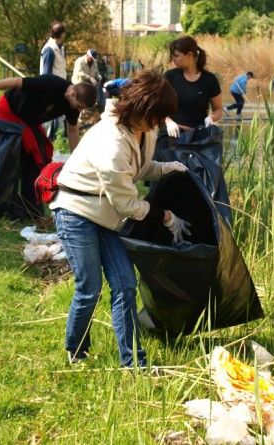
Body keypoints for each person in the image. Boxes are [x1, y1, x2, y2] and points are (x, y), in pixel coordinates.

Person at [49, 70, 191, 368]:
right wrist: (163, 215)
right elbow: (127, 202)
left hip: (108, 216)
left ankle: (133, 364)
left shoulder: (145, 129)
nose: (158, 124)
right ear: (141, 108)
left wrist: (168, 169)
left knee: (125, 285)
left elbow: (138, 168)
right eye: (156, 116)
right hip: (77, 212)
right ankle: (76, 352)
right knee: (90, 287)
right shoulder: (109, 141)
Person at [0, 75, 97, 218]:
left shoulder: (72, 106)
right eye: (79, 106)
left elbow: (72, 130)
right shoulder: (51, 83)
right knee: (13, 158)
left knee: (42, 155)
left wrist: (75, 158)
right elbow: (15, 81)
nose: (78, 110)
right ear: (72, 93)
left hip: (29, 120)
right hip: (10, 110)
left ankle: (31, 210)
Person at [162, 36, 223, 140]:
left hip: (199, 137)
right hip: (172, 136)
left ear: (190, 55)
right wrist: (168, 121)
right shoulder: (170, 76)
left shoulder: (209, 79)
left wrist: (211, 118)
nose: (173, 59)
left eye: (176, 56)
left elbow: (218, 109)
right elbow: (157, 107)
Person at [40, 21, 67, 140]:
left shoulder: (59, 48)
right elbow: (46, 74)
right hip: (51, 89)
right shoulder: (49, 49)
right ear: (61, 34)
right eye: (64, 33)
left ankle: (57, 140)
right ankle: (46, 141)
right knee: (49, 119)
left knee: (58, 116)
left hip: (59, 88)